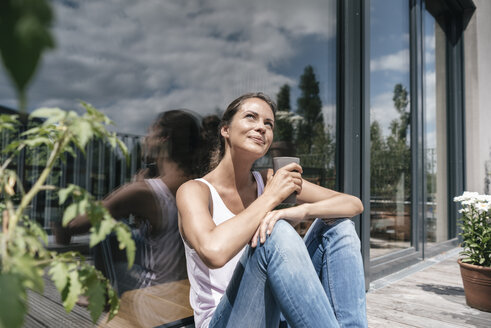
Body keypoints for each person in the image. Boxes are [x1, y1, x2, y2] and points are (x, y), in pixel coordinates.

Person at [177, 92, 367, 328]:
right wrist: (270, 199)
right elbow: (214, 252)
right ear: (225, 129)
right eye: (251, 117)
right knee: (276, 233)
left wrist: (300, 211)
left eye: (268, 124)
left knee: (339, 226)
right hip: (224, 321)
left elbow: (353, 204)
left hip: (274, 316)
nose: (261, 128)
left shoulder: (270, 179)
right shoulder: (194, 191)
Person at [58, 109, 207, 294]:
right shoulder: (201, 184)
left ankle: (103, 293)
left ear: (164, 138)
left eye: (149, 133)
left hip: (156, 302)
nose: (144, 140)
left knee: (108, 229)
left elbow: (72, 228)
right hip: (190, 296)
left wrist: (130, 190)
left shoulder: (144, 191)